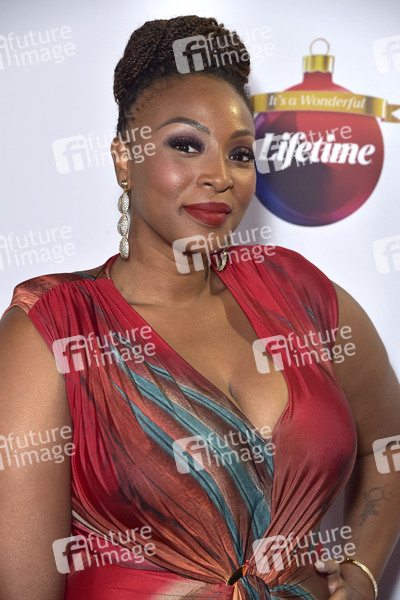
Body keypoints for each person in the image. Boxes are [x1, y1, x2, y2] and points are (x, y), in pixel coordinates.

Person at [0, 14, 399, 600]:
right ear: (123, 158)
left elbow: (388, 445)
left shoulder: (302, 294)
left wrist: (362, 573)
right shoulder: (51, 331)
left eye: (240, 154)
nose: (219, 176)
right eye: (186, 145)